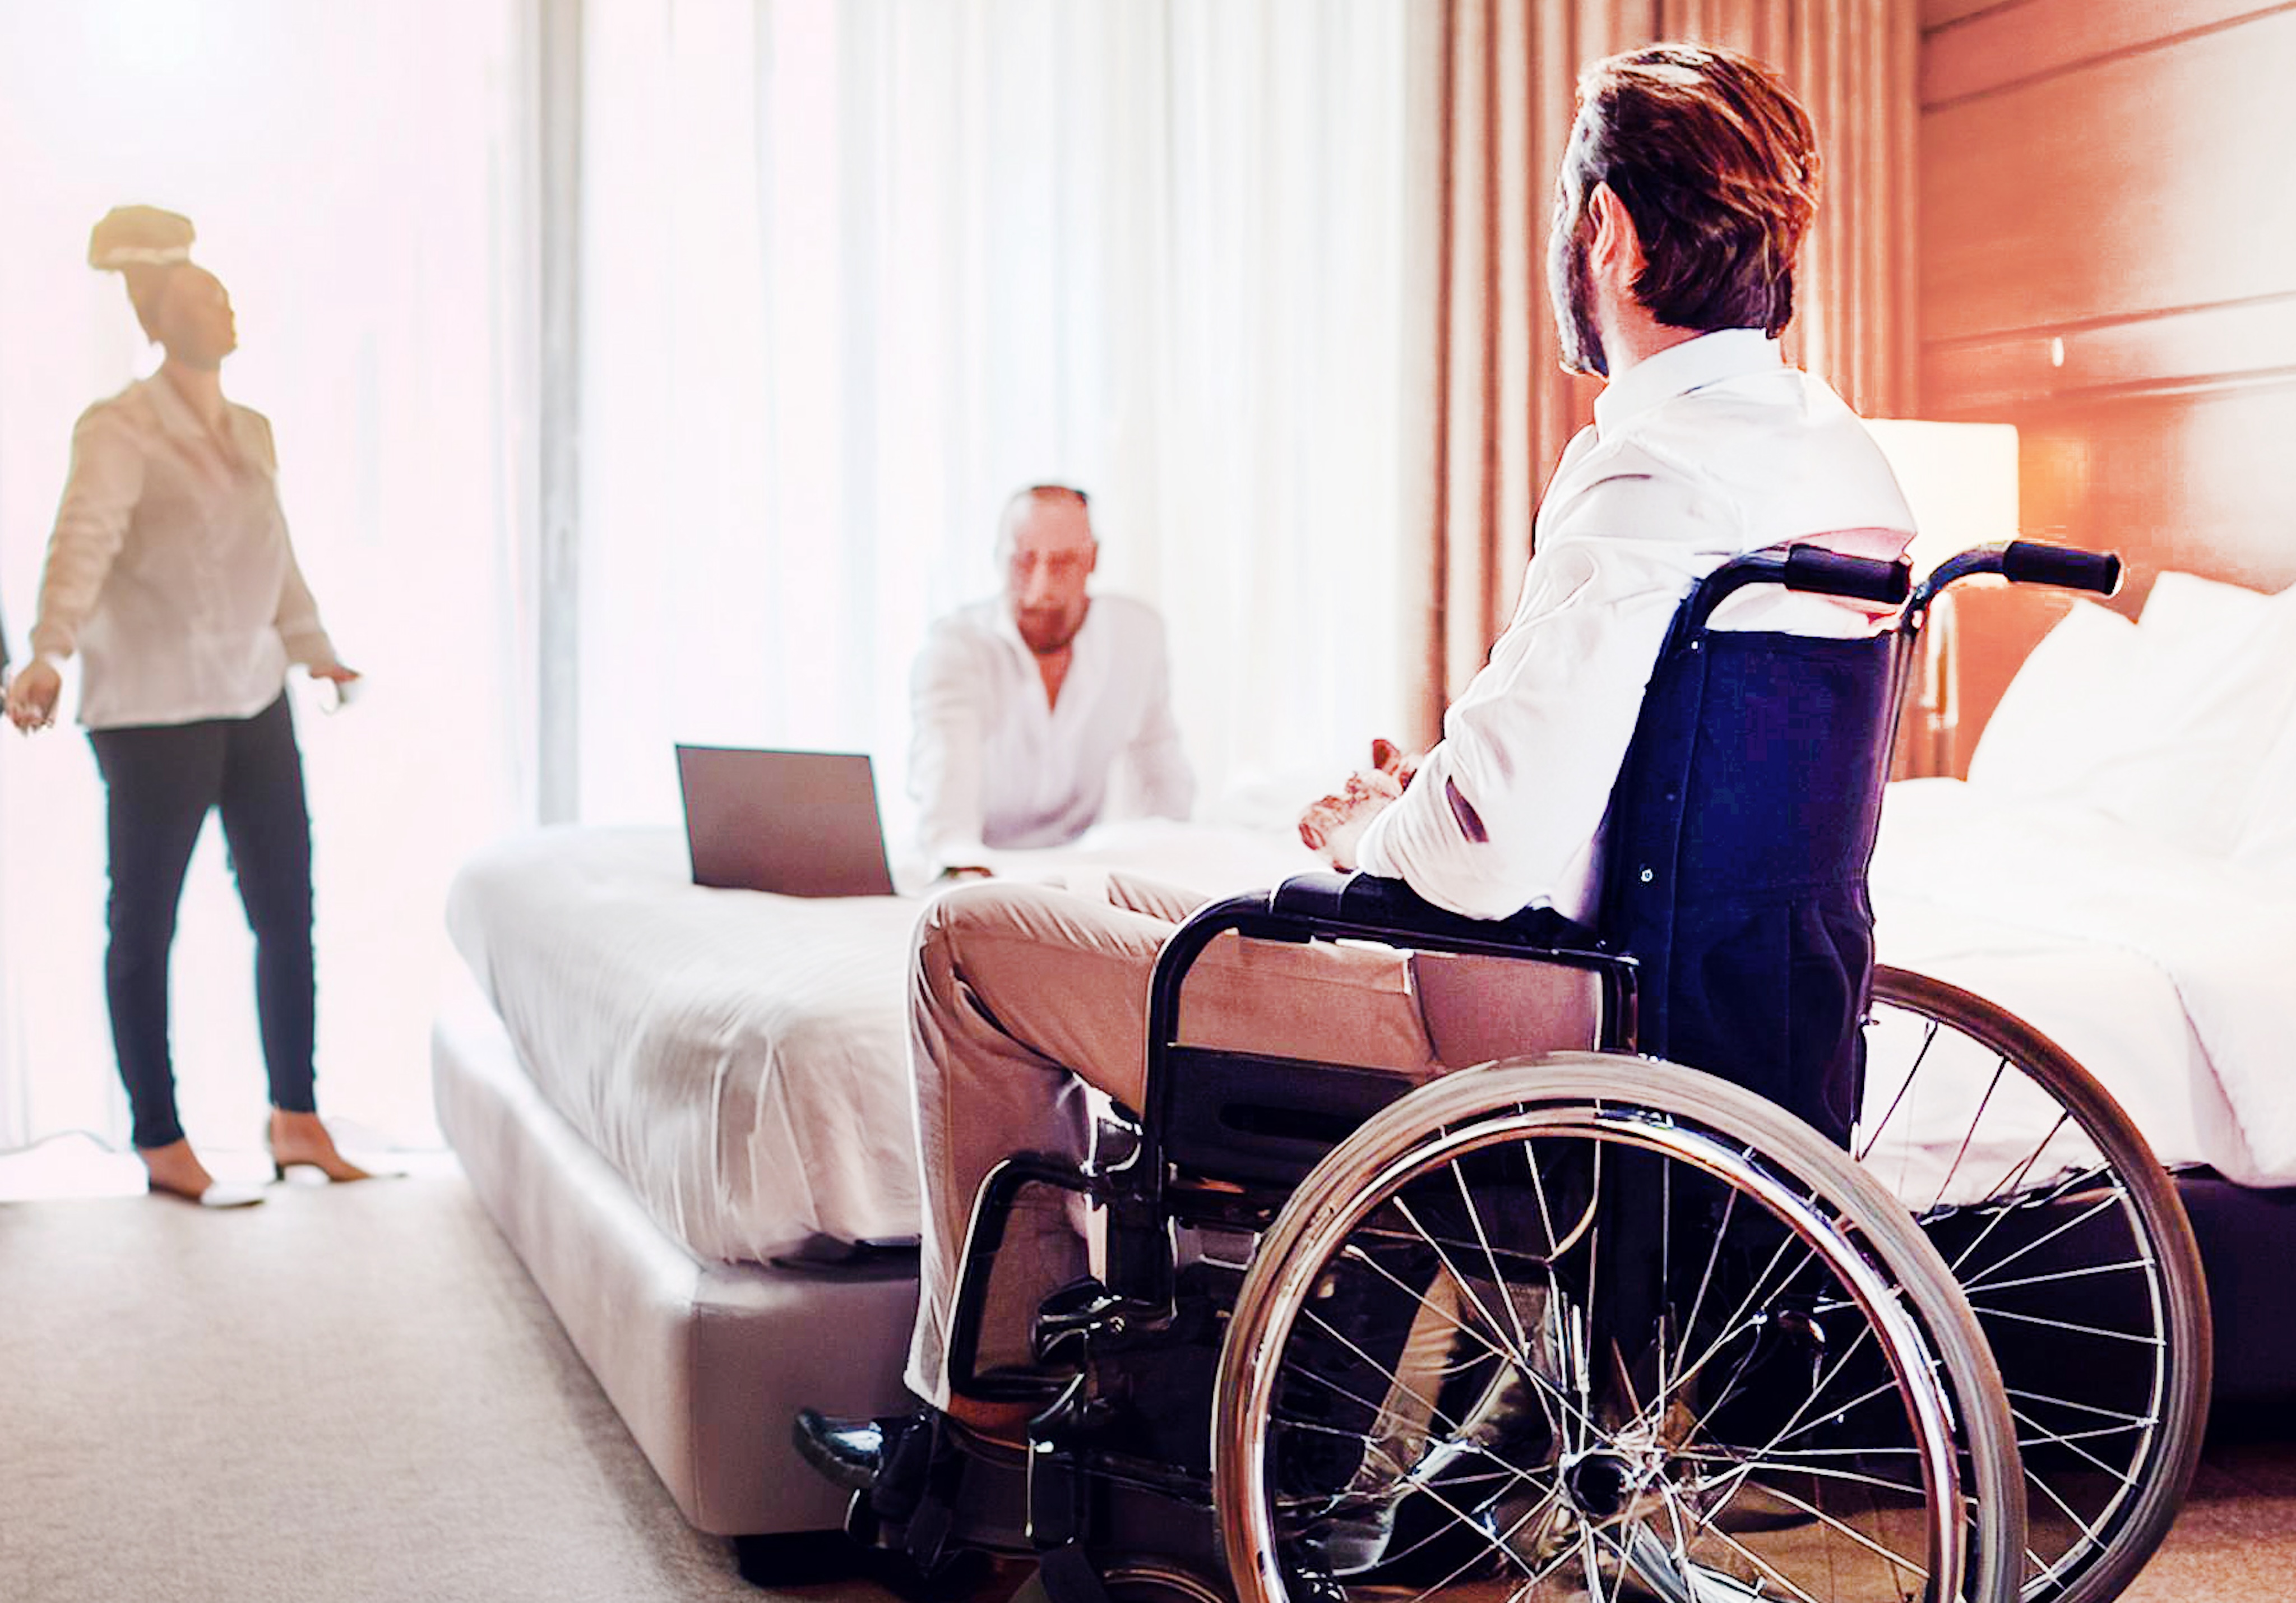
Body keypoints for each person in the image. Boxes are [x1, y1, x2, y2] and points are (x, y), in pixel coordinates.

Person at [799, 41, 1917, 1477]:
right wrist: (1427, 803)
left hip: (1524, 1020)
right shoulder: (1841, 462)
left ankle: (978, 1436)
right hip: (1727, 995)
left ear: (1609, 232)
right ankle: (1131, 1396)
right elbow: (1661, 779)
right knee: (1138, 895)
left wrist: (1383, 837)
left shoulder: (1653, 472)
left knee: (964, 942)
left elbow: (1492, 853)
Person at [3, 206, 373, 1208]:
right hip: (152, 712)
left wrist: (318, 651)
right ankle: (159, 1136)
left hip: (252, 698)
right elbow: (80, 542)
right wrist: (46, 651)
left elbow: (276, 556)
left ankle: (296, 1116)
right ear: (162, 321)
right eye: (204, 298)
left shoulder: (250, 429)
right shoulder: (119, 427)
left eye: (223, 291)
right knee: (146, 922)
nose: (226, 305)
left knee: (285, 908)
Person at [907, 484, 1194, 877]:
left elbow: (1159, 761)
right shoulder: (955, 648)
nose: (1040, 590)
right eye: (1023, 562)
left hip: (1078, 869)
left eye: (1062, 563)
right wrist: (960, 864)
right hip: (985, 865)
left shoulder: (1137, 635)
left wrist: (1177, 857)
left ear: (1093, 560)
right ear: (997, 558)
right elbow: (944, 773)